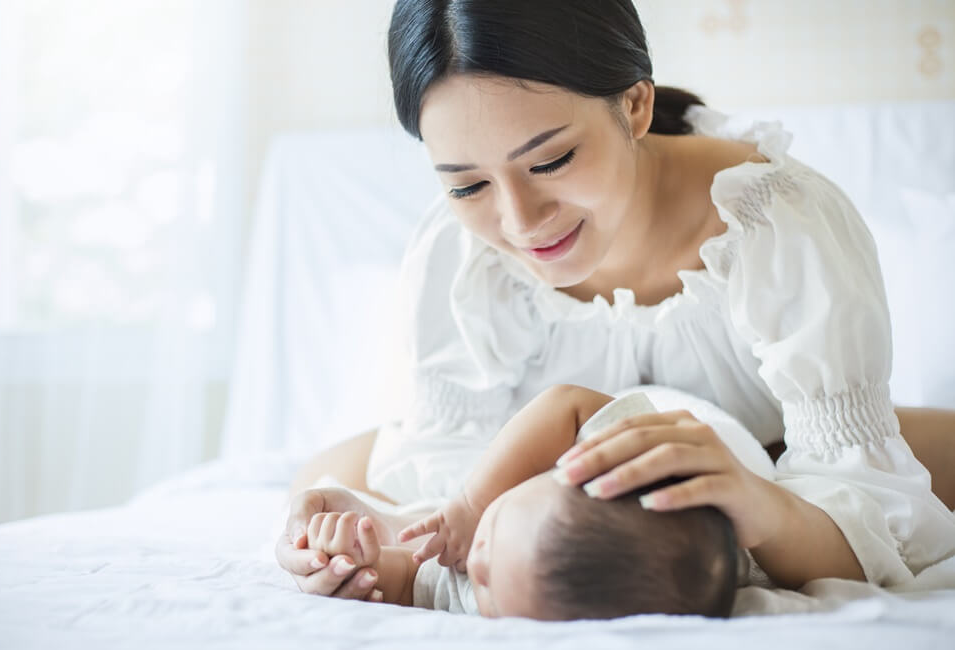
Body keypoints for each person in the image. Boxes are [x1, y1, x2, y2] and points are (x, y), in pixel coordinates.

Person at [276, 0, 955, 603]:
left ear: (634, 104)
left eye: (550, 161)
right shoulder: (460, 256)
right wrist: (330, 546)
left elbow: (880, 531)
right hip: (526, 475)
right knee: (323, 477)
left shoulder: (778, 227)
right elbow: (445, 502)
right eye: (466, 185)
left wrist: (760, 504)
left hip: (774, 455)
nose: (520, 221)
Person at [303, 387, 753, 619]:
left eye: (489, 595)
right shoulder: (628, 459)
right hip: (693, 430)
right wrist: (475, 501)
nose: (471, 566)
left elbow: (412, 580)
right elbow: (568, 404)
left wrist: (365, 567)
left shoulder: (514, 594)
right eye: (493, 528)